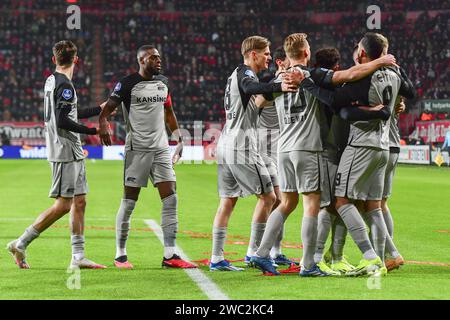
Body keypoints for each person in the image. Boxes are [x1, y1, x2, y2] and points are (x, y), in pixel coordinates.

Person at [251, 33, 396, 276]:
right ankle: (309, 265)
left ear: (286, 54)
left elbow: (258, 103)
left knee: (286, 203)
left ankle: (261, 253)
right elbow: (349, 75)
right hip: (308, 147)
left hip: (283, 147)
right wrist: (380, 62)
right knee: (312, 205)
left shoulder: (278, 79)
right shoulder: (312, 75)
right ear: (306, 53)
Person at [7, 40, 106, 269]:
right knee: (63, 205)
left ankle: (78, 257)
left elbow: (70, 112)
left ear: (54, 59)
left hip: (71, 149)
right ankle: (21, 243)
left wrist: (98, 109)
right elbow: (63, 120)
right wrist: (94, 130)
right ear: (77, 60)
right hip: (65, 150)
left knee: (80, 201)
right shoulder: (66, 85)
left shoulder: (52, 80)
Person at [98, 45, 195, 269]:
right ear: (141, 60)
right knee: (129, 201)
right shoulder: (127, 83)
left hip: (161, 149)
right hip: (137, 149)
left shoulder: (164, 83)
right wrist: (103, 123)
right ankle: (120, 255)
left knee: (170, 197)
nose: (158, 60)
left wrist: (179, 138)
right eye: (153, 57)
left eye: (159, 57)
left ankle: (170, 255)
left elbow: (169, 112)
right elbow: (107, 108)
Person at [210, 36, 296, 272]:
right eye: (266, 53)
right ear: (253, 54)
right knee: (269, 198)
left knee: (227, 201)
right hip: (242, 146)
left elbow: (258, 97)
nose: (269, 56)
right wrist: (279, 85)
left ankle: (216, 258)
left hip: (226, 143)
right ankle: (254, 253)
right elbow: (251, 88)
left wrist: (277, 82)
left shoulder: (234, 76)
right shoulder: (245, 73)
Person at [247, 46, 296, 267]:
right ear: (280, 62)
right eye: (288, 59)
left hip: (280, 148)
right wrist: (274, 90)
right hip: (265, 148)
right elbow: (256, 104)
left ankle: (275, 252)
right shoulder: (272, 81)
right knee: (275, 199)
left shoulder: (292, 79)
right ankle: (254, 251)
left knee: (280, 201)